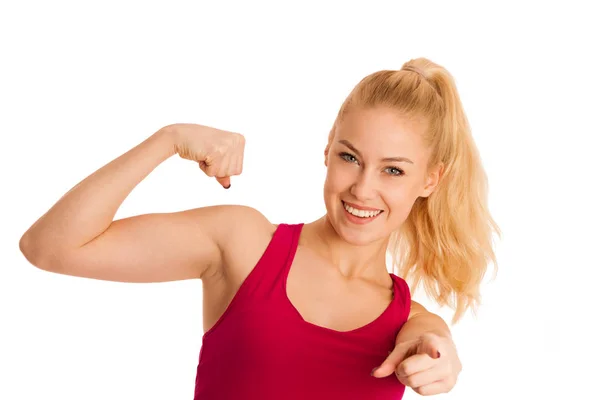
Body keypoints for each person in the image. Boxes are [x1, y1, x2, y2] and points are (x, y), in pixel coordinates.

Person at [19, 57, 499, 399]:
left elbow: (429, 337)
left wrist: (440, 350)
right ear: (327, 149)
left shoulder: (405, 322)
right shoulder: (244, 244)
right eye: (350, 157)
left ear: (430, 180)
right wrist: (167, 140)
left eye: (393, 170)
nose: (363, 189)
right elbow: (50, 247)